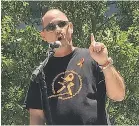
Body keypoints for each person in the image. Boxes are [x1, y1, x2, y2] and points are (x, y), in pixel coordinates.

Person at [24, 9, 125, 125]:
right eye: (51, 27)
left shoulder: (91, 58)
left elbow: (119, 95)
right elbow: (36, 117)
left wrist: (105, 63)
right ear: (43, 36)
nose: (58, 30)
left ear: (70, 27)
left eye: (62, 24)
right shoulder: (40, 73)